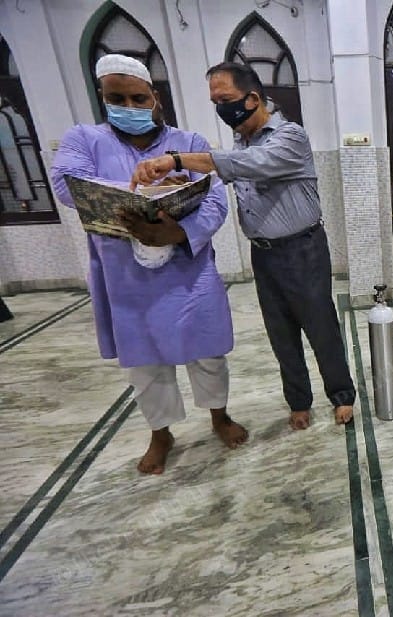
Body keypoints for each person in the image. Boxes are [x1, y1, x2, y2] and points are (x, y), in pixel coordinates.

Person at [51, 54, 248, 475]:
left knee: (208, 353)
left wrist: (178, 233)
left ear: (154, 98)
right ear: (102, 98)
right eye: (117, 99)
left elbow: (215, 200)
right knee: (145, 363)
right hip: (126, 275)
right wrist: (145, 189)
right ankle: (161, 433)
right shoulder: (84, 139)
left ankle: (219, 416)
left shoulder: (188, 142)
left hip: (187, 270)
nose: (129, 106)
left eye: (138, 99)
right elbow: (68, 187)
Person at [130, 62, 355, 429]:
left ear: (252, 99)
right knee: (280, 334)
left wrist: (177, 158)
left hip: (303, 250)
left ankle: (342, 396)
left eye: (226, 100)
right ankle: (299, 401)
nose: (221, 109)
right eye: (215, 102)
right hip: (263, 253)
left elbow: (252, 164)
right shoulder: (240, 142)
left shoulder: (290, 135)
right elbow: (226, 175)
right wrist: (176, 187)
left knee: (321, 328)